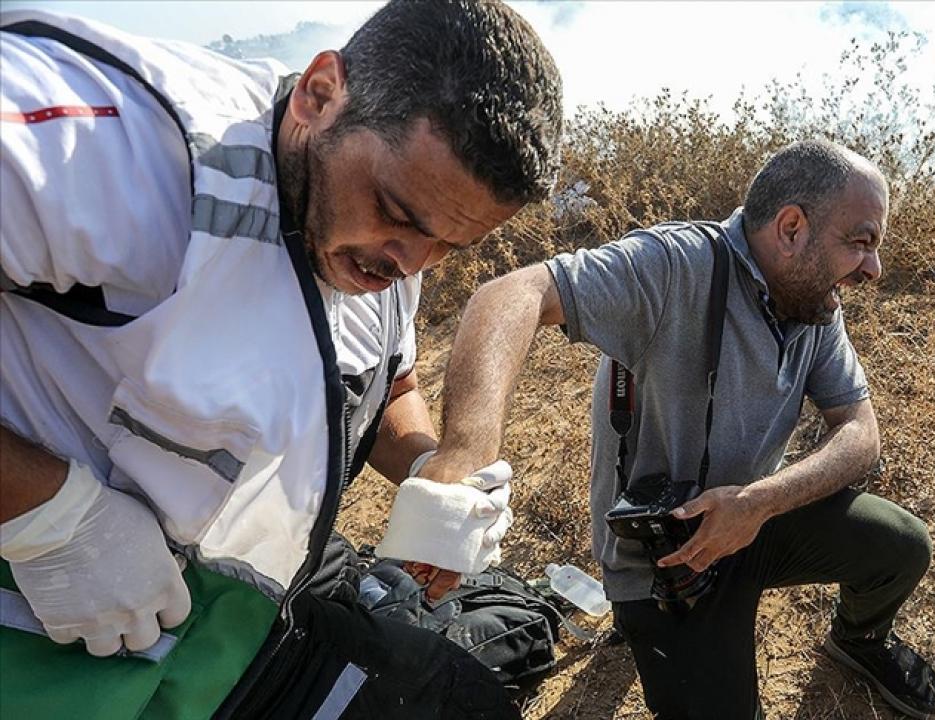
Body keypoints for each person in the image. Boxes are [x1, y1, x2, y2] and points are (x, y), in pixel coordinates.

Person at [0, 1, 560, 717]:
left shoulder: (397, 230)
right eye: (398, 213)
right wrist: (44, 511)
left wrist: (430, 473)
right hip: (48, 634)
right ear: (320, 94)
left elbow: (386, 381)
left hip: (240, 608)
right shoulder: (107, 147)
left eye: (453, 246)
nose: (412, 263)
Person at [422, 139, 935, 719]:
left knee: (901, 546)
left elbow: (860, 430)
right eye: (861, 243)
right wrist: (464, 457)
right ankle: (640, 622)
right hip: (662, 561)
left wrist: (759, 502)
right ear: (792, 228)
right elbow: (511, 294)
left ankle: (858, 642)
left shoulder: (812, 299)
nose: (874, 269)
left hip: (754, 519)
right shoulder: (675, 265)